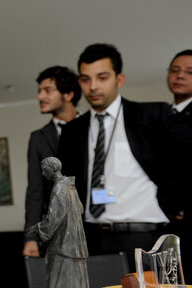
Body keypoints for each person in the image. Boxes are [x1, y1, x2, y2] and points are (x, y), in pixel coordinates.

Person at [58, 43, 173, 258]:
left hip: (145, 237)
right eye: (85, 79)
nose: (93, 86)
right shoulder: (72, 131)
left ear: (119, 79)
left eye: (102, 78)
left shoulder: (151, 116)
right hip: (91, 239)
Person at [26, 157, 95, 288]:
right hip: (75, 241)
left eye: (44, 170)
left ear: (51, 170)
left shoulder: (58, 188)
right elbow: (80, 208)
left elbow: (55, 219)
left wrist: (37, 228)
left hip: (63, 242)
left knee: (57, 276)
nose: (43, 173)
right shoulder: (70, 186)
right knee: (74, 277)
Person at [22, 66, 80, 257]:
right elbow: (35, 190)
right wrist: (31, 237)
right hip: (55, 230)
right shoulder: (38, 138)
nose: (40, 96)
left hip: (92, 226)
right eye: (39, 91)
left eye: (47, 90)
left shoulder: (92, 128)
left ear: (68, 94)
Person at [165, 49, 192, 265]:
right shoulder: (162, 115)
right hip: (166, 221)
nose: (180, 76)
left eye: (189, 72)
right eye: (175, 70)